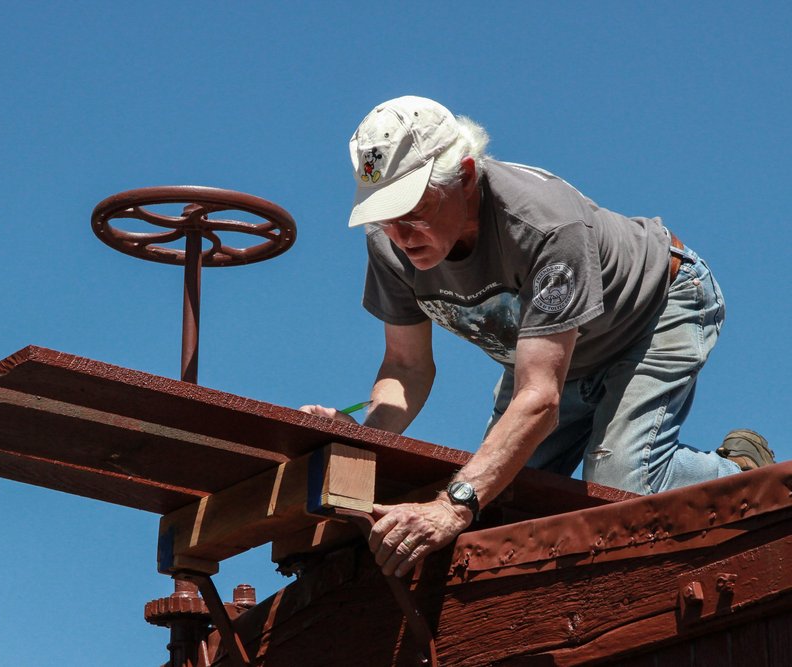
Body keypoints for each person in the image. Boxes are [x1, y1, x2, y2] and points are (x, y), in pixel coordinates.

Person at [300, 96, 774, 579]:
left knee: (618, 484)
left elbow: (540, 397)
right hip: (556, 354)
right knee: (504, 497)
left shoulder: (544, 224)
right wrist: (361, 436)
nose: (400, 234)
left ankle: (746, 475)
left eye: (412, 210)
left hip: (654, 309)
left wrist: (454, 505)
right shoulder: (389, 245)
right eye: (384, 215)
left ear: (464, 176)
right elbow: (406, 367)